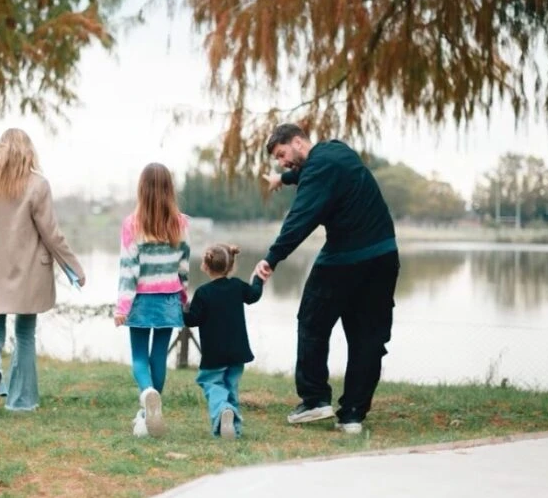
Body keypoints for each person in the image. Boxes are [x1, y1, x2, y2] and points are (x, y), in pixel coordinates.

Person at [254, 123, 399, 435]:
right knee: (368, 337)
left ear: (297, 142)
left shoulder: (319, 169)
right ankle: (352, 416)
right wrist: (285, 178)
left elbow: (301, 218)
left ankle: (315, 399)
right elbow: (313, 174)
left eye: (282, 155)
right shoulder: (338, 151)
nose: (281, 161)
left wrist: (272, 258)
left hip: (344, 259)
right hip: (384, 256)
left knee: (312, 322)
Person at [0, 128, 85, 419]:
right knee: (24, 334)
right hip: (28, 274)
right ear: (29, 153)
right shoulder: (38, 186)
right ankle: (21, 401)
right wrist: (73, 268)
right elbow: (52, 234)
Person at [114, 163, 191, 438]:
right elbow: (184, 265)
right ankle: (149, 411)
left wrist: (122, 308)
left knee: (139, 357)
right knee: (158, 356)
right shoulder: (180, 223)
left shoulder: (132, 224)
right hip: (169, 299)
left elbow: (128, 271)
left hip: (141, 300)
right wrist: (183, 297)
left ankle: (147, 396)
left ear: (141, 189)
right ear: (169, 189)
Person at [183, 244, 264, 439]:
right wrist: (259, 278)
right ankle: (233, 429)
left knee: (211, 383)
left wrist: (182, 308)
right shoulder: (237, 286)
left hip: (214, 354)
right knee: (231, 386)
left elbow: (192, 320)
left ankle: (223, 411)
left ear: (205, 265)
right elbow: (254, 295)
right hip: (237, 353)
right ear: (231, 266)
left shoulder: (203, 292)